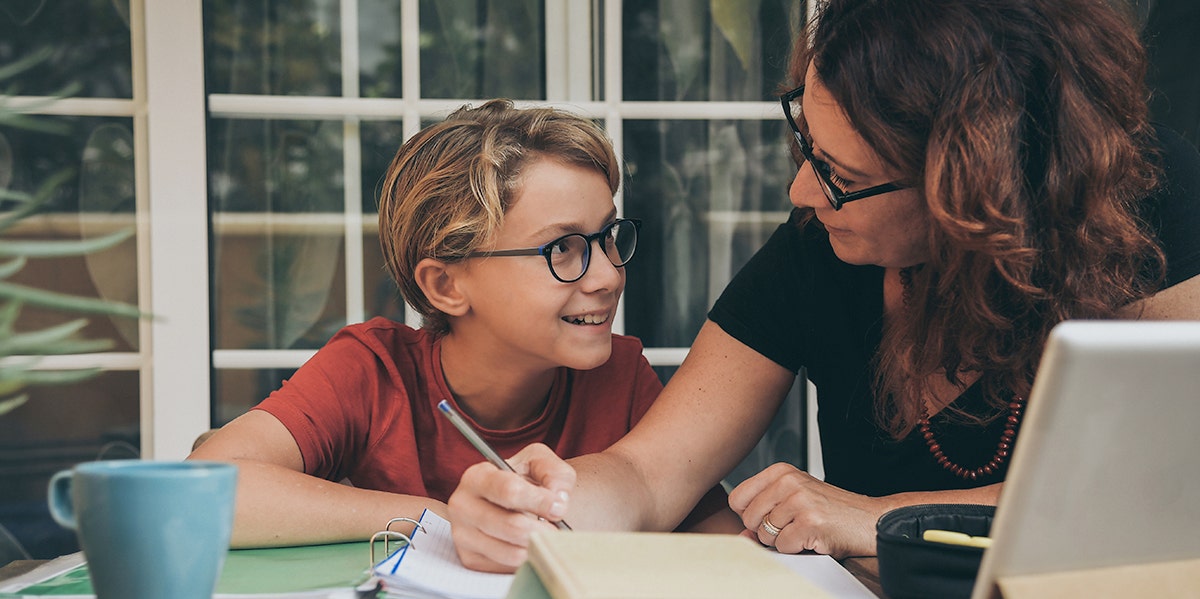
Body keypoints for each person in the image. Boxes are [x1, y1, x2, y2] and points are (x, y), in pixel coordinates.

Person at [446, 0, 1200, 571]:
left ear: (973, 189)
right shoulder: (823, 244)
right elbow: (649, 472)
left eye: (844, 177)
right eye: (807, 142)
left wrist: (879, 518)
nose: (802, 190)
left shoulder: (1146, 206)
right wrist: (545, 501)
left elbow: (1163, 496)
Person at [188, 100, 738, 547]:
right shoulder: (372, 371)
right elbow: (200, 492)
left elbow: (719, 539)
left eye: (607, 237)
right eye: (563, 249)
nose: (608, 274)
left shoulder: (619, 376)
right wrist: (437, 519)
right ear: (446, 286)